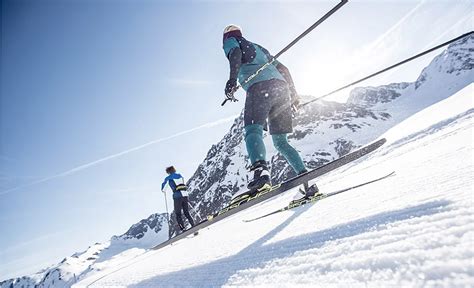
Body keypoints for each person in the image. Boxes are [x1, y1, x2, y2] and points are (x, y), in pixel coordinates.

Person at [222, 24, 319, 198]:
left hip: (258, 88)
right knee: (281, 142)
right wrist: (294, 95)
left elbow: (235, 54)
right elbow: (284, 69)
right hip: (282, 89)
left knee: (253, 130)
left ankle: (261, 175)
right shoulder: (260, 48)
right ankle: (307, 181)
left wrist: (231, 80)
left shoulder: (230, 41)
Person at [161, 166, 195, 231]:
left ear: (168, 172)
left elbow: (163, 188)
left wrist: (163, 189)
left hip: (177, 196)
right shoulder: (180, 175)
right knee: (186, 212)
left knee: (178, 213)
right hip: (185, 195)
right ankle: (193, 224)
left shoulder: (168, 178)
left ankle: (183, 228)